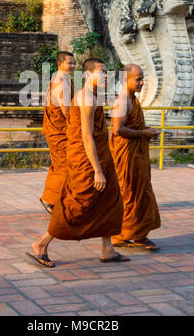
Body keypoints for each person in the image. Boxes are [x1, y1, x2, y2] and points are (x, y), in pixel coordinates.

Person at [27, 58, 129, 267]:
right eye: (101, 72)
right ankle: (41, 243)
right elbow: (86, 137)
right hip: (86, 159)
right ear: (88, 75)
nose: (106, 75)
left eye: (106, 72)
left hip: (100, 155)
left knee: (110, 199)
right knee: (78, 204)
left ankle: (107, 248)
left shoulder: (93, 95)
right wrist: (97, 171)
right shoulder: (85, 98)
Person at [110, 64, 161, 252]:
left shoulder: (133, 100)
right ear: (126, 79)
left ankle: (134, 234)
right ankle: (128, 235)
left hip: (137, 154)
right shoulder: (122, 101)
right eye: (138, 79)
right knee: (129, 193)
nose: (142, 82)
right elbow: (117, 129)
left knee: (141, 192)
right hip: (126, 156)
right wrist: (143, 134)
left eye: (142, 78)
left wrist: (146, 133)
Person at [40, 51, 76, 214]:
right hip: (60, 131)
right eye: (69, 63)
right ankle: (51, 200)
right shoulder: (62, 81)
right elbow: (66, 109)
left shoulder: (58, 79)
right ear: (60, 64)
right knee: (66, 165)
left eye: (74, 63)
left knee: (59, 164)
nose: (73, 66)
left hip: (56, 129)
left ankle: (51, 198)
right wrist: (78, 126)